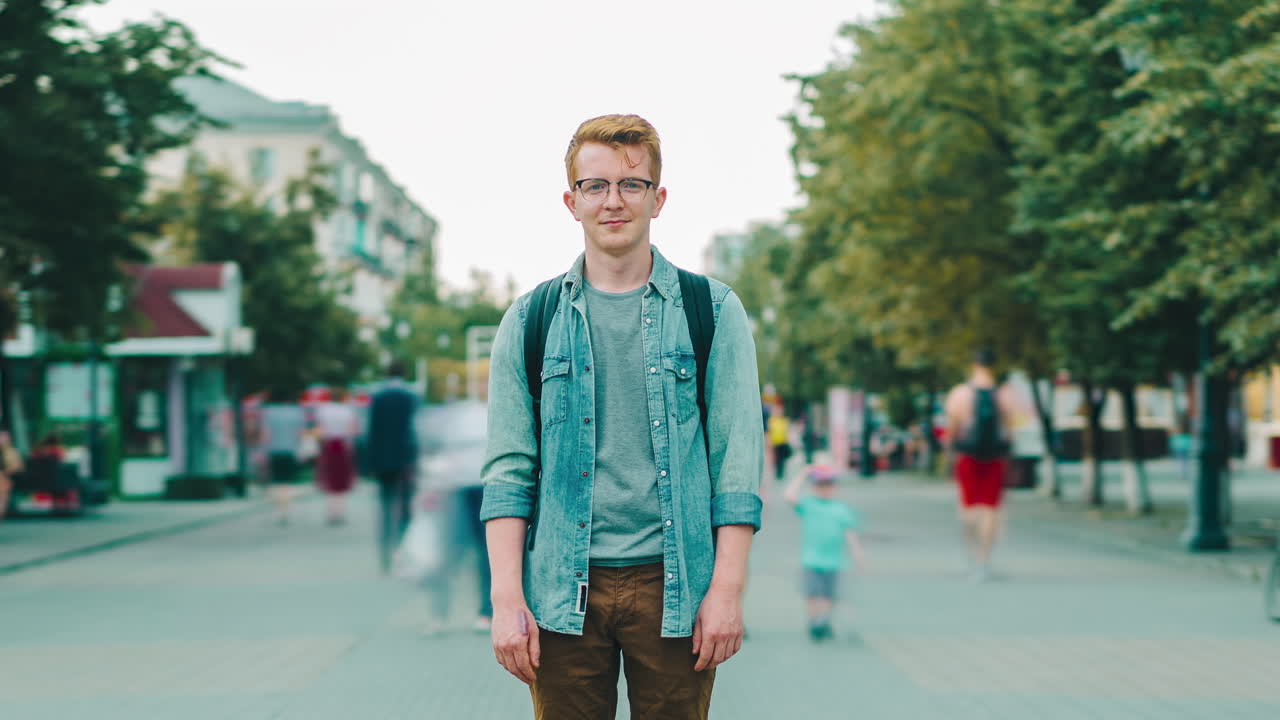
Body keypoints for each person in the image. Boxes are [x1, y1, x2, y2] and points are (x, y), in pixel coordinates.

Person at [480, 114, 763, 720]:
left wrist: (727, 591)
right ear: (571, 200)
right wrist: (506, 599)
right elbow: (508, 472)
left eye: (631, 185)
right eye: (596, 185)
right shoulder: (531, 319)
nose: (613, 201)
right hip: (560, 591)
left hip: (676, 586)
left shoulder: (711, 310)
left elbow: (737, 466)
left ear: (658, 199)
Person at [944, 348, 1018, 581]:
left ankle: (971, 552)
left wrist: (949, 454)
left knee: (968, 507)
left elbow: (952, 431)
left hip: (967, 457)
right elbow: (1009, 431)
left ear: (973, 365)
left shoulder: (960, 394)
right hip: (994, 458)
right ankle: (984, 561)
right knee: (990, 509)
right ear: (994, 366)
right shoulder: (1004, 394)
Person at [419, 399, 492, 633]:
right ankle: (477, 613)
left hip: (466, 488)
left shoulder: (452, 417)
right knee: (479, 552)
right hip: (467, 489)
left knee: (473, 553)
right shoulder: (470, 415)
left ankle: (443, 616)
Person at [783, 464, 866, 641]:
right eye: (819, 485)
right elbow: (789, 496)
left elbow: (850, 534)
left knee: (829, 595)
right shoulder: (808, 504)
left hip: (833, 561)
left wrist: (857, 554)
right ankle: (815, 622)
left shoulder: (841, 509)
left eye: (828, 485)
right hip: (811, 560)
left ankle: (823, 621)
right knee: (812, 594)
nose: (824, 489)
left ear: (834, 487)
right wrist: (803, 474)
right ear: (813, 487)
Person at [365, 361, 420, 574]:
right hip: (406, 459)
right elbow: (416, 430)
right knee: (405, 508)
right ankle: (402, 552)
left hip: (383, 460)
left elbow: (372, 431)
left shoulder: (377, 397)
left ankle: (385, 554)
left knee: (385, 507)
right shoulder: (411, 397)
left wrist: (369, 463)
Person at [313, 390, 359, 525]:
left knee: (329, 478)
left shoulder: (323, 410)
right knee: (341, 480)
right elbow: (353, 431)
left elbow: (319, 431)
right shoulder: (348, 411)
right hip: (343, 445)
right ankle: (340, 511)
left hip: (328, 445)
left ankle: (331, 511)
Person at [259, 399, 308, 525]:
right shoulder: (297, 413)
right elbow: (300, 434)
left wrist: (263, 451)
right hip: (290, 450)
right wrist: (300, 449)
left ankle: (278, 509)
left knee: (275, 481)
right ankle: (285, 510)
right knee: (287, 482)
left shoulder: (269, 413)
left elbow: (266, 434)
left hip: (274, 451)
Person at [0, 429, 24, 521]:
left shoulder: (11, 452)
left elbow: (18, 467)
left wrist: (4, 472)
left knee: (2, 498)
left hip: (5, 479)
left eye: (3, 438)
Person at [768, 404, 792, 482]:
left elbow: (786, 432)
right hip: (775, 443)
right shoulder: (771, 421)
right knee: (777, 459)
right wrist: (769, 442)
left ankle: (781, 473)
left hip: (782, 443)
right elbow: (769, 432)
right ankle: (778, 473)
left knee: (782, 459)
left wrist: (787, 440)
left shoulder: (784, 421)